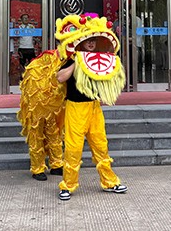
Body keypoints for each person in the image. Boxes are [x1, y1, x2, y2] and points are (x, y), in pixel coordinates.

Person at [54, 13, 127, 201]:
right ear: (81, 42)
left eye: (94, 41)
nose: (91, 44)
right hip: (75, 108)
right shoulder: (72, 59)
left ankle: (110, 182)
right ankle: (68, 185)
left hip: (94, 108)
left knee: (101, 146)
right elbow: (59, 78)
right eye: (88, 41)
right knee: (73, 149)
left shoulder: (98, 60)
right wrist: (77, 62)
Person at [16, 49, 66, 181]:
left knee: (53, 131)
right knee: (36, 132)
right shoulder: (51, 58)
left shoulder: (67, 57)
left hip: (51, 100)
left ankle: (57, 164)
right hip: (36, 100)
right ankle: (37, 168)